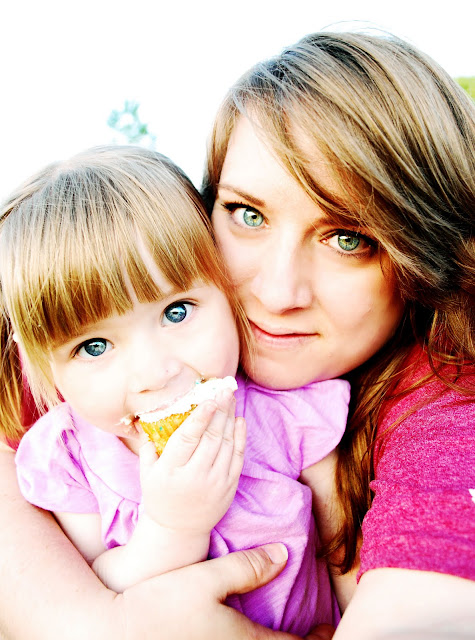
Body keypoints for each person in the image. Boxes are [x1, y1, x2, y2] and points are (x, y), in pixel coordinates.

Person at [0, 30, 474, 640]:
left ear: (426, 252)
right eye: (247, 214)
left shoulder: (422, 407)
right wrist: (114, 611)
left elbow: (373, 586)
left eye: (348, 238)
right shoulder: (86, 388)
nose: (277, 293)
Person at [3, 145, 348, 635]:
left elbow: (349, 561)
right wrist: (172, 528)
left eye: (176, 312)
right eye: (95, 346)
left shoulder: (288, 412)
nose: (154, 374)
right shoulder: (67, 459)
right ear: (39, 360)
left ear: (226, 287)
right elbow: (95, 591)